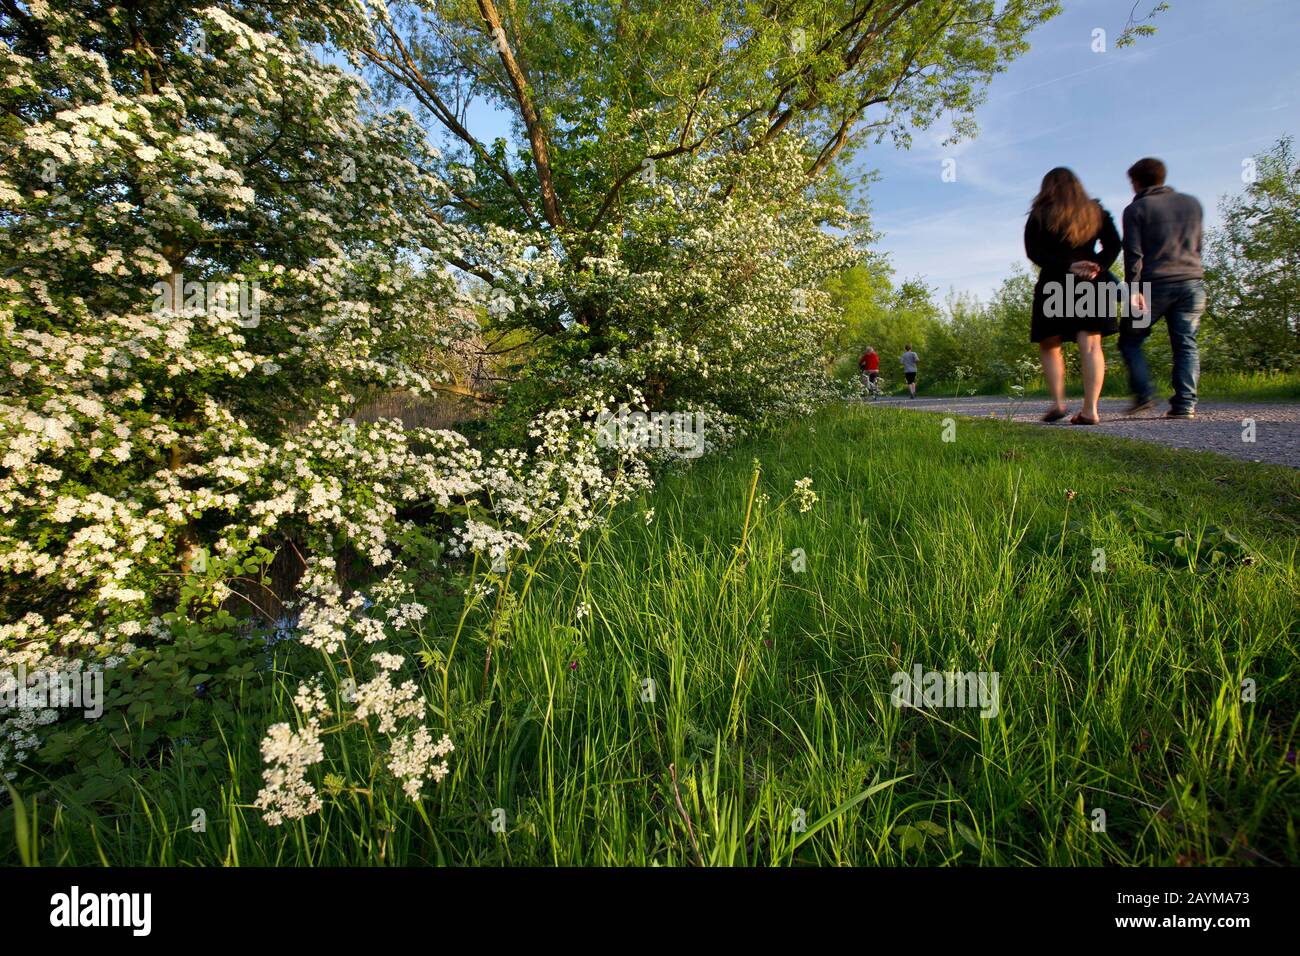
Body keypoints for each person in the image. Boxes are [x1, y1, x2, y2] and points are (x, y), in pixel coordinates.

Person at [1024, 167, 1121, 425]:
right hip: (1092, 281)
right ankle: (1090, 409)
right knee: (1090, 344)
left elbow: (1034, 252)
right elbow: (1114, 245)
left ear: (1046, 187)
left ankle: (1058, 402)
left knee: (1050, 343)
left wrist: (1067, 266)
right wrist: (1097, 265)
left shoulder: (1040, 214)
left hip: (1055, 281)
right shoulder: (1095, 211)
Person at [1118, 158, 1205, 420]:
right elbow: (1197, 244)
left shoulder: (1137, 209)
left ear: (1136, 181)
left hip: (1153, 285)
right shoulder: (1192, 204)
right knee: (1186, 343)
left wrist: (1133, 290)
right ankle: (1185, 405)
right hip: (1192, 281)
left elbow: (1133, 254)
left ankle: (1144, 393)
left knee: (1131, 340)